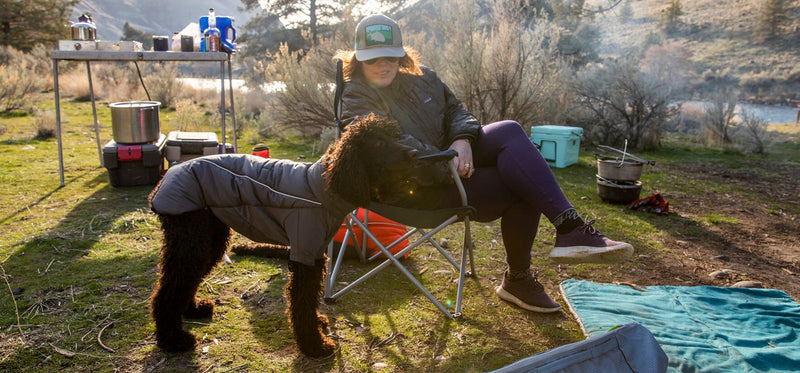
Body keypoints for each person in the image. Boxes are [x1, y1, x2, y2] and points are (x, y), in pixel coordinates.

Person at [335, 14, 633, 313]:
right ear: (358, 60)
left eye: (391, 55)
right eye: (374, 59)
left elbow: (458, 113)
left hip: (451, 163)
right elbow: (393, 151)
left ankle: (569, 228)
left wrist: (462, 140)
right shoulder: (356, 97)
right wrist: (450, 161)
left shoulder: (424, 78)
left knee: (510, 131)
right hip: (411, 189)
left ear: (401, 54)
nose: (384, 64)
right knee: (522, 183)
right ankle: (519, 278)